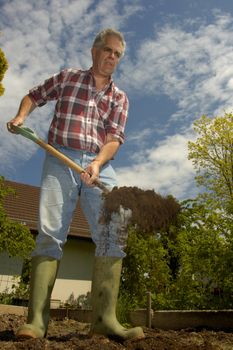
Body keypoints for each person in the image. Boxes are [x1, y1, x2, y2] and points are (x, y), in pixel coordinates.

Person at [7, 28, 144, 340]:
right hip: (60, 157)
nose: (112, 57)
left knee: (116, 223)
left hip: (98, 162)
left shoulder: (119, 98)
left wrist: (96, 163)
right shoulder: (68, 77)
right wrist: (20, 117)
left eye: (117, 54)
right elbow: (34, 95)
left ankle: (104, 320)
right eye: (107, 50)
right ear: (94, 51)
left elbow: (113, 140)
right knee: (51, 231)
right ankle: (37, 322)